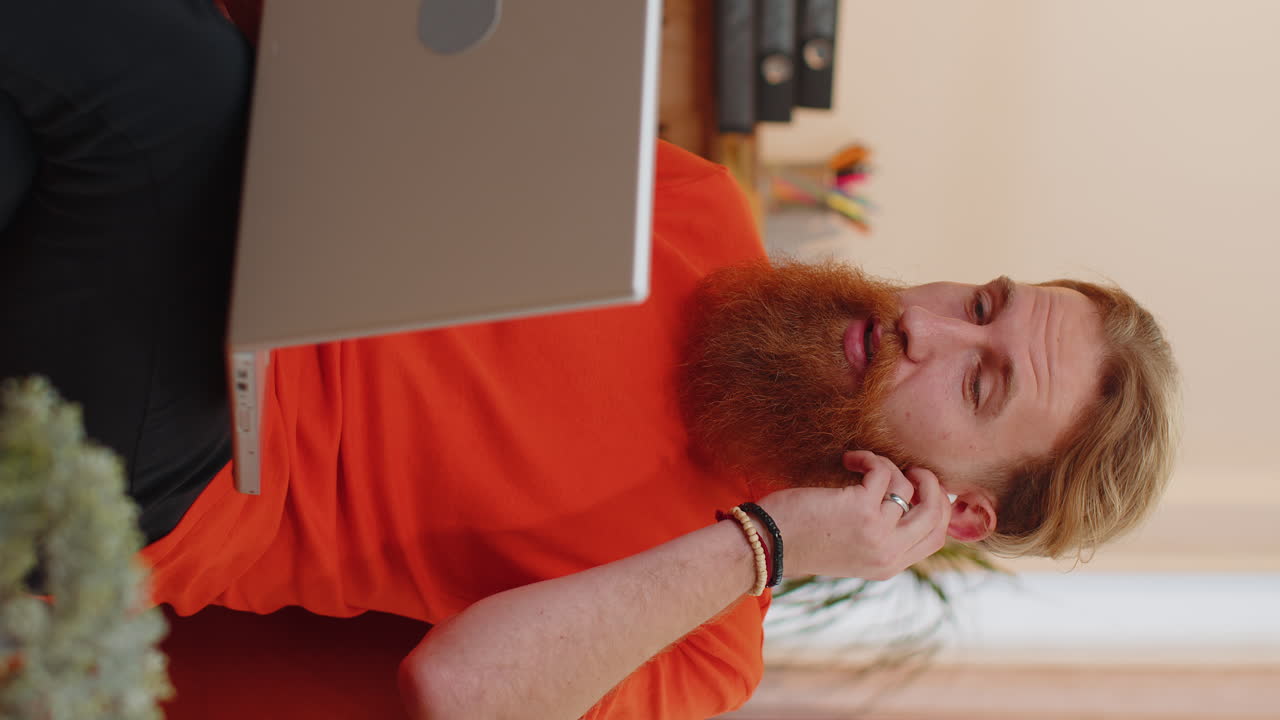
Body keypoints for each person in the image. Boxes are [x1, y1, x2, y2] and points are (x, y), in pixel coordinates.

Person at [0, 2, 1179, 718]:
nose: (931, 325)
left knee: (171, 84)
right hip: (217, 213)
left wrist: (765, 544)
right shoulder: (706, 220)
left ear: (953, 513)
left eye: (979, 382)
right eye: (980, 302)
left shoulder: (708, 635)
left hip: (179, 475)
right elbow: (403, 107)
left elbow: (457, 696)